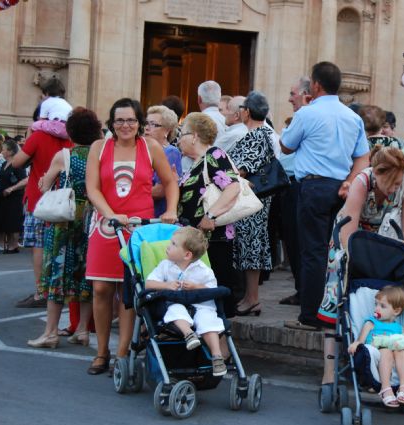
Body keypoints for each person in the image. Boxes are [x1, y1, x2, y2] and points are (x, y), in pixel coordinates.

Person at [85, 98, 178, 375]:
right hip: (106, 223)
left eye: (131, 120)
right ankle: (101, 351)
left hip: (139, 227)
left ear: (139, 123)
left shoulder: (149, 147)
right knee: (101, 288)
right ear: (111, 122)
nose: (125, 125)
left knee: (130, 292)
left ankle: (122, 354)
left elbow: (170, 181)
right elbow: (93, 188)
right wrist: (110, 213)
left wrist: (171, 209)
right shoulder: (99, 148)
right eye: (119, 120)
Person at [317, 146, 404, 387]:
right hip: (349, 241)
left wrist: (401, 256)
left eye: (397, 183)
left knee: (387, 295)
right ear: (378, 173)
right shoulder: (362, 182)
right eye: (391, 183)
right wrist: (353, 261)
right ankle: (329, 372)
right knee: (337, 302)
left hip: (381, 242)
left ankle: (380, 367)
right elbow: (349, 230)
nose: (395, 188)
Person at [281, 61, 370, 330]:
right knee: (338, 252)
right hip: (343, 189)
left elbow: (285, 147)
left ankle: (310, 315)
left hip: (313, 186)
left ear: (316, 85)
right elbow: (363, 157)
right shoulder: (352, 117)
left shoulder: (307, 114)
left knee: (312, 252)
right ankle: (333, 312)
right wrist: (350, 181)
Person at [27, 107, 101, 349]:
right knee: (86, 275)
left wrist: (43, 180)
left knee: (56, 275)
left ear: (71, 131)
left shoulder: (64, 155)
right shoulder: (99, 155)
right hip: (90, 221)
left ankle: (50, 333)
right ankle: (82, 330)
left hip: (64, 222)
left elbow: (45, 185)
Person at [176, 112, 243, 317]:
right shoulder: (196, 163)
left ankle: (222, 343)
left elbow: (233, 187)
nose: (179, 139)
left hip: (215, 239)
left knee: (217, 289)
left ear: (194, 136)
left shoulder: (214, 155)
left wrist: (210, 216)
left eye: (182, 133)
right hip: (200, 240)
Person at [145, 226, 227, 377]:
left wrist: (196, 287)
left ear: (187, 255)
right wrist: (166, 285)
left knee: (207, 319)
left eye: (173, 244)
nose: (168, 246)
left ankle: (217, 356)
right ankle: (189, 334)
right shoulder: (165, 266)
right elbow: (149, 283)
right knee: (175, 310)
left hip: (200, 305)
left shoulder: (203, 270)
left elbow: (212, 289)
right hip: (176, 303)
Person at [12, 117, 73, 308]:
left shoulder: (39, 136)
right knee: (60, 247)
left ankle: (41, 292)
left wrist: (30, 136)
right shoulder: (71, 136)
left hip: (40, 200)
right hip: (65, 202)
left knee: (38, 246)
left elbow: (16, 162)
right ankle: (59, 290)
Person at [229, 91, 275, 316]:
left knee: (250, 247)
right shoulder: (263, 133)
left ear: (246, 112)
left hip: (249, 202)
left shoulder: (256, 135)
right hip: (255, 201)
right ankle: (250, 297)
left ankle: (252, 298)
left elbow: (242, 169)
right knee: (251, 246)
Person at [348, 286, 404, 408]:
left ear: (396, 311)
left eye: (382, 306)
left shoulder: (399, 327)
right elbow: (360, 341)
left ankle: (403, 387)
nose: (377, 308)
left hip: (396, 359)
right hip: (377, 355)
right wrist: (355, 344)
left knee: (401, 350)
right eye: (376, 304)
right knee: (386, 350)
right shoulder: (371, 323)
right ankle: (386, 388)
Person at [278, 77, 311, 306]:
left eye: (293, 93)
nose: (290, 98)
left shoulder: (305, 117)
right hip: (295, 185)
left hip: (301, 186)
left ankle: (306, 292)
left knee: (302, 242)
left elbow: (286, 145)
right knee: (295, 241)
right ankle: (303, 289)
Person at [145, 105, 182, 217]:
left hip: (157, 217)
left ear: (167, 130)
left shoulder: (171, 152)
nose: (147, 128)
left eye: (153, 124)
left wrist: (131, 192)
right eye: (146, 123)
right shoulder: (142, 151)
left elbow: (160, 190)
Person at [0, 139, 27, 253]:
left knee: (13, 220)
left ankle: (13, 245)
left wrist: (12, 188)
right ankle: (8, 244)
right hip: (3, 196)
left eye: (3, 149)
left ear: (10, 151)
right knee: (5, 220)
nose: (1, 152)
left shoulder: (17, 164)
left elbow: (25, 180)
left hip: (15, 196)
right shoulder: (4, 163)